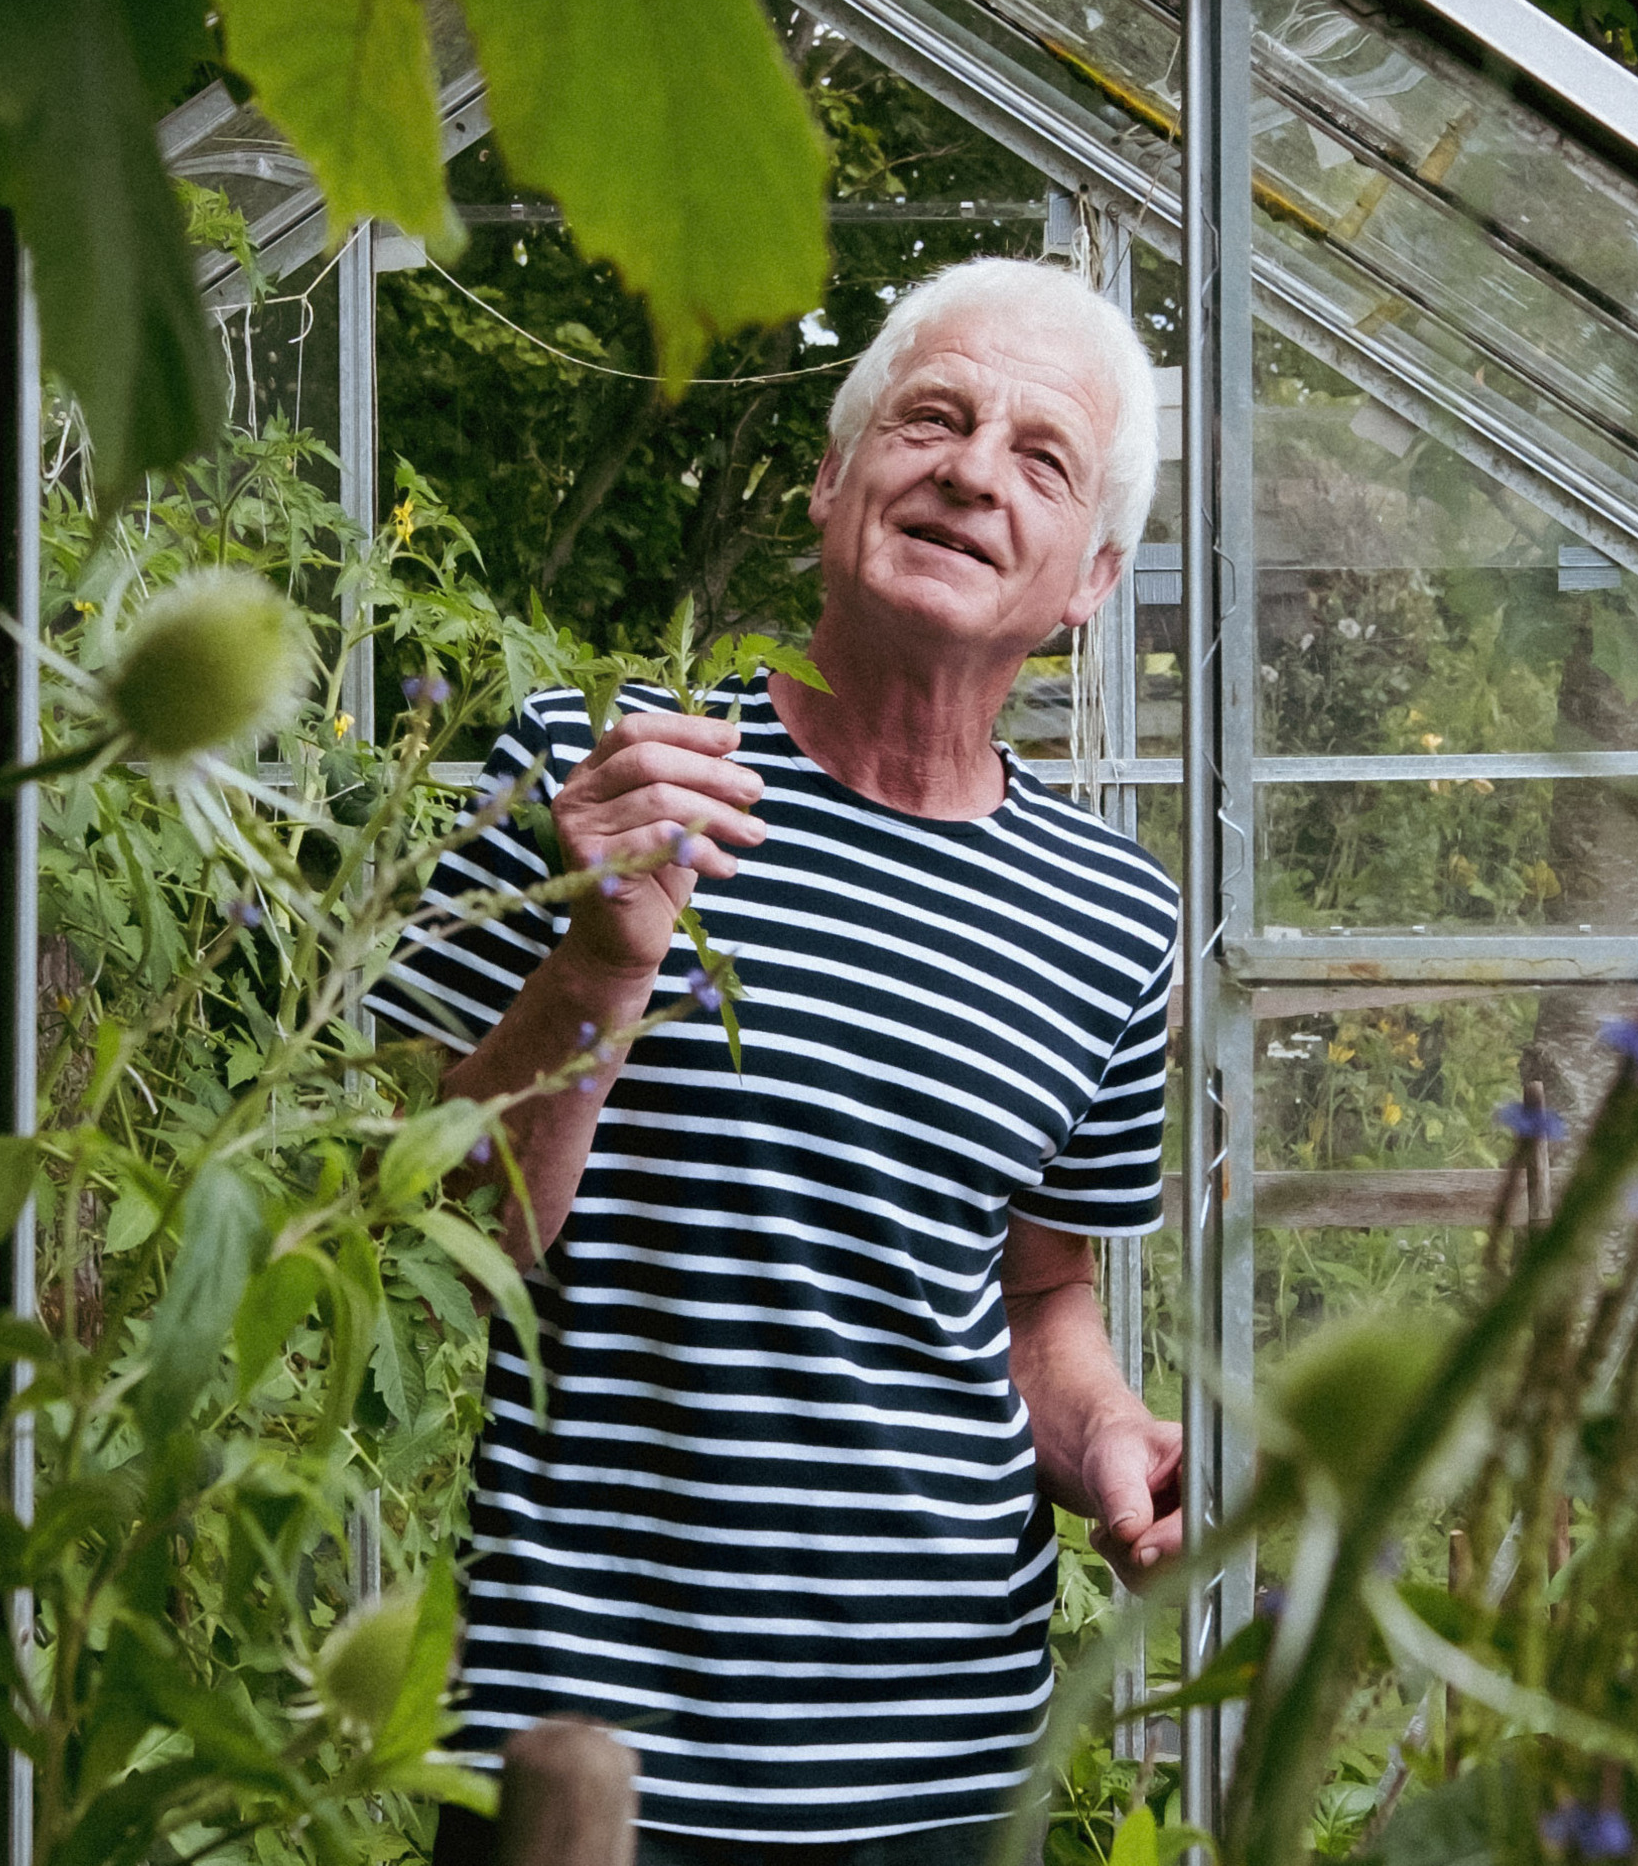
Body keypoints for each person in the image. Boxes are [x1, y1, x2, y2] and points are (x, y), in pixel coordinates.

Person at [370, 256, 1185, 1863]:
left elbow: (1039, 1297)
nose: (969, 470)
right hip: (584, 1773)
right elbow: (443, 1251)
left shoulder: (1112, 918)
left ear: (1088, 582)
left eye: (1041, 459)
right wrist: (602, 952)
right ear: (830, 482)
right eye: (932, 420)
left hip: (942, 1780)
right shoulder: (596, 772)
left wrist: (1102, 1440)